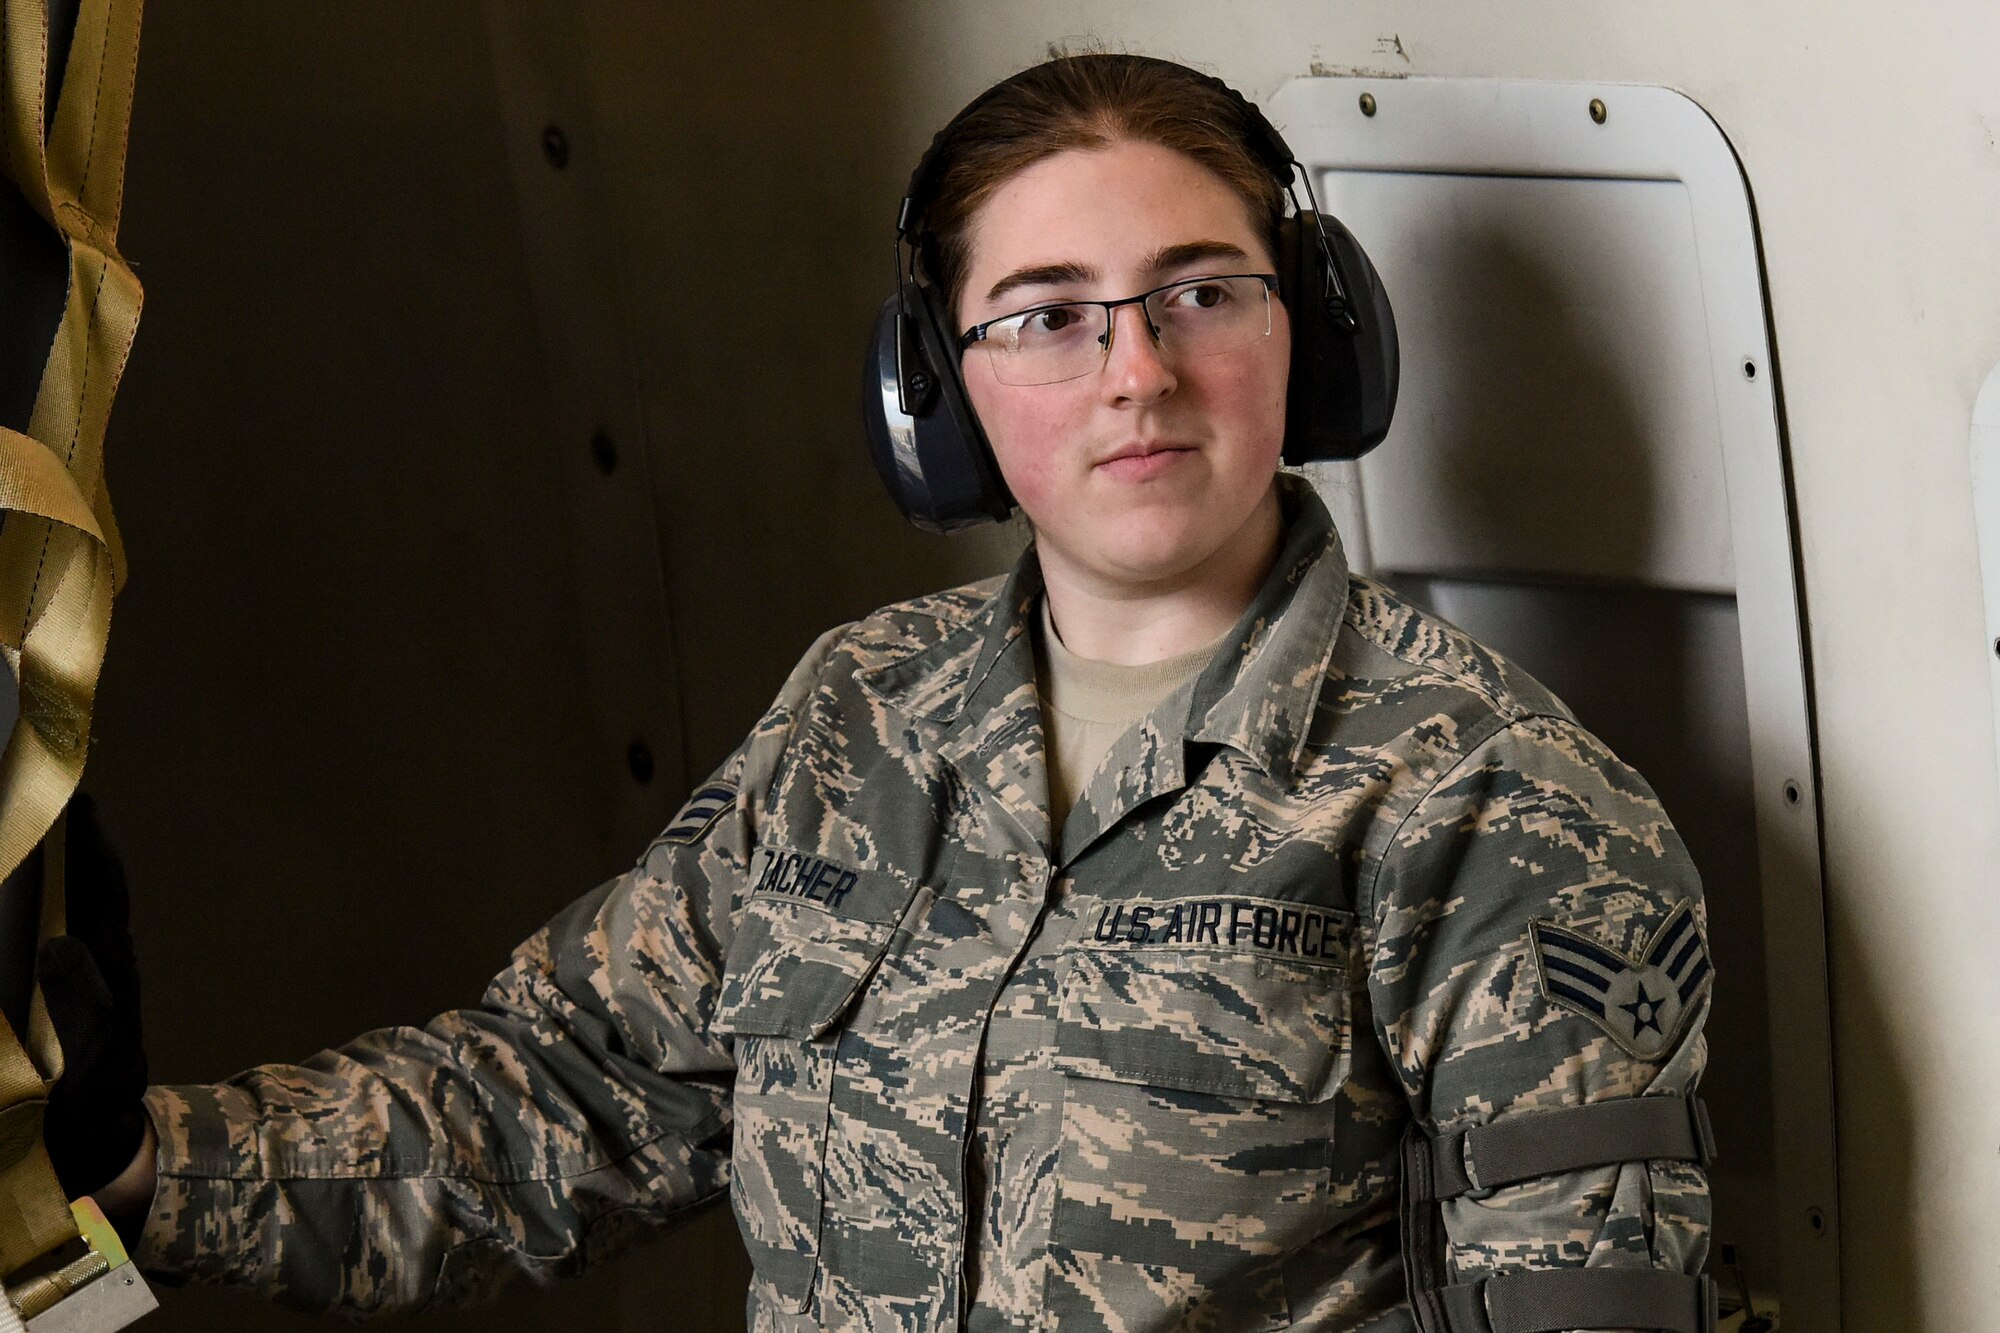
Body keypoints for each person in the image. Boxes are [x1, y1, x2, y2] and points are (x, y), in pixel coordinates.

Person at [68, 52, 1713, 1332]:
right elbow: (561, 1099)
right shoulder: (861, 713)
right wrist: (138, 1165)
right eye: (1048, 317)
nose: (1137, 370)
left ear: (1318, 337)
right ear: (934, 392)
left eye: (1202, 291)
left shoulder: (1495, 796)